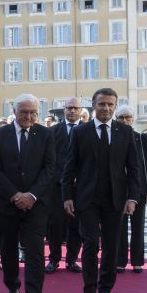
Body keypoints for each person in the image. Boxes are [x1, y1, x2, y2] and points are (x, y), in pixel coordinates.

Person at [62, 88, 141, 293]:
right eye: (101, 104)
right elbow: (70, 167)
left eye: (110, 104)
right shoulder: (80, 133)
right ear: (93, 106)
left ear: (115, 106)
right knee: (89, 244)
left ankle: (105, 290)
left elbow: (134, 169)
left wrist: (133, 198)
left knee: (111, 246)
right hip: (86, 199)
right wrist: (67, 196)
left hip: (115, 199)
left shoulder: (125, 132)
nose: (105, 108)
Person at [0, 94, 54, 293]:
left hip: (36, 205)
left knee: (35, 252)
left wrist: (32, 195)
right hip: (8, 203)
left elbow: (50, 168)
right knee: (8, 249)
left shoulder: (46, 134)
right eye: (23, 112)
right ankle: (12, 286)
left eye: (32, 113)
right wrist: (15, 195)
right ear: (14, 111)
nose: (28, 116)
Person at [114, 106, 147, 273]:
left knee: (138, 226)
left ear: (132, 119)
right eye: (122, 117)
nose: (125, 120)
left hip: (138, 188)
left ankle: (138, 261)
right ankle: (120, 261)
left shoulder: (141, 138)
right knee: (120, 228)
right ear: (116, 120)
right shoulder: (112, 138)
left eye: (128, 117)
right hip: (118, 189)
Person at [45, 97, 83, 274]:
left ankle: (72, 260)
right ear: (64, 110)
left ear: (80, 110)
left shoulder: (86, 130)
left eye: (75, 108)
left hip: (80, 187)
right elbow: (48, 159)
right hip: (56, 186)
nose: (72, 111)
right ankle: (53, 259)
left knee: (76, 225)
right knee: (55, 225)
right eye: (69, 108)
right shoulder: (53, 131)